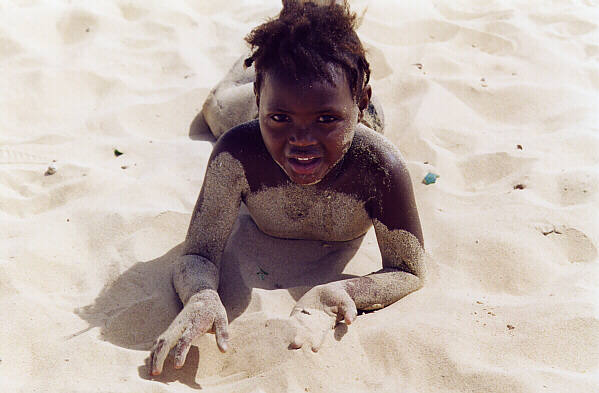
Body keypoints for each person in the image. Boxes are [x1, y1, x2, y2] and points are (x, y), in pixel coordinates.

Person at [149, 0, 426, 376]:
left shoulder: (379, 167)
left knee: (340, 83)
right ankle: (281, 39)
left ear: (359, 103)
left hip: (350, 115)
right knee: (216, 107)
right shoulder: (237, 154)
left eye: (326, 120)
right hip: (254, 110)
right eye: (281, 119)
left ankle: (318, 17)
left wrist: (337, 294)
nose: (302, 141)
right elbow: (197, 255)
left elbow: (408, 270)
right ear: (260, 99)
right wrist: (200, 295)